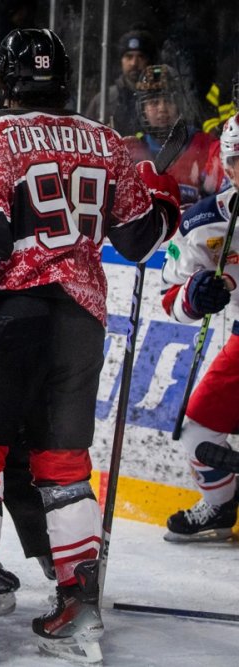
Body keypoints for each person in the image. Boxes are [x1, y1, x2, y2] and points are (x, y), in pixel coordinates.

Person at [0, 29, 180, 666]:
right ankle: (78, 608)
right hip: (79, 322)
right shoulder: (106, 141)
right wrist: (164, 201)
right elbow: (141, 237)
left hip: (9, 318)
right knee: (61, 462)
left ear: (2, 80)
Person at [160, 112, 239, 542]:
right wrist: (194, 296)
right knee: (197, 432)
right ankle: (221, 505)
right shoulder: (203, 223)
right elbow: (170, 296)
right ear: (227, 167)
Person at [125, 64, 217, 207]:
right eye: (154, 102)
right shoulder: (131, 151)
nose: (162, 109)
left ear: (179, 104)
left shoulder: (206, 145)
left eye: (168, 100)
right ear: (142, 109)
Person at [85, 29, 158, 136]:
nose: (134, 63)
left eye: (141, 57)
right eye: (129, 57)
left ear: (149, 60)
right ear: (121, 60)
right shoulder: (105, 100)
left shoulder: (161, 99)